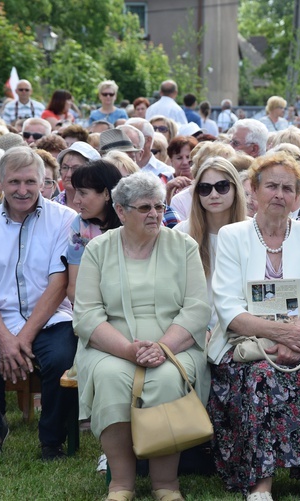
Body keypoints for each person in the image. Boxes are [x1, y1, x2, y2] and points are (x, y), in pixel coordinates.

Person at [207, 152, 300, 501]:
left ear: (298, 196)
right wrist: (278, 333)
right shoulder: (232, 235)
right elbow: (227, 306)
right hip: (243, 339)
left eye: (288, 188)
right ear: (253, 190)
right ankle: (260, 485)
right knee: (260, 377)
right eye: (271, 186)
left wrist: (295, 336)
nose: (279, 195)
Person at [73, 172, 211, 501]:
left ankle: (166, 483)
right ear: (120, 211)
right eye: (145, 208)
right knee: (109, 379)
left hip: (175, 345)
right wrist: (128, 350)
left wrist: (163, 347)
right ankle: (122, 483)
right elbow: (87, 315)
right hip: (113, 347)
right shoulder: (99, 249)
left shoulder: (183, 245)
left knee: (165, 380)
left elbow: (196, 309)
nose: (155, 214)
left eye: (159, 207)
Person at [0, 146, 78, 461]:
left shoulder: (65, 219)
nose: (23, 190)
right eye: (15, 182)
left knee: (62, 357)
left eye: (31, 182)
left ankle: (52, 441)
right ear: (0, 184)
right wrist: (6, 340)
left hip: (51, 317)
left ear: (45, 182)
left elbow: (59, 283)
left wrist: (23, 338)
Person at [174, 156, 247, 332]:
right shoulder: (181, 234)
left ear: (235, 188)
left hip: (243, 331)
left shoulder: (252, 231)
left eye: (222, 186)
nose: (214, 195)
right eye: (205, 188)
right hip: (195, 330)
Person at [65, 160, 123, 304]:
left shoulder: (131, 222)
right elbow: (74, 289)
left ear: (106, 194)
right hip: (92, 307)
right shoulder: (80, 227)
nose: (76, 200)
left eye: (82, 193)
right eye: (75, 191)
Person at [54, 141, 101, 211]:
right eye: (65, 167)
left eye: (76, 169)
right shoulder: (52, 207)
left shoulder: (101, 208)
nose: (69, 174)